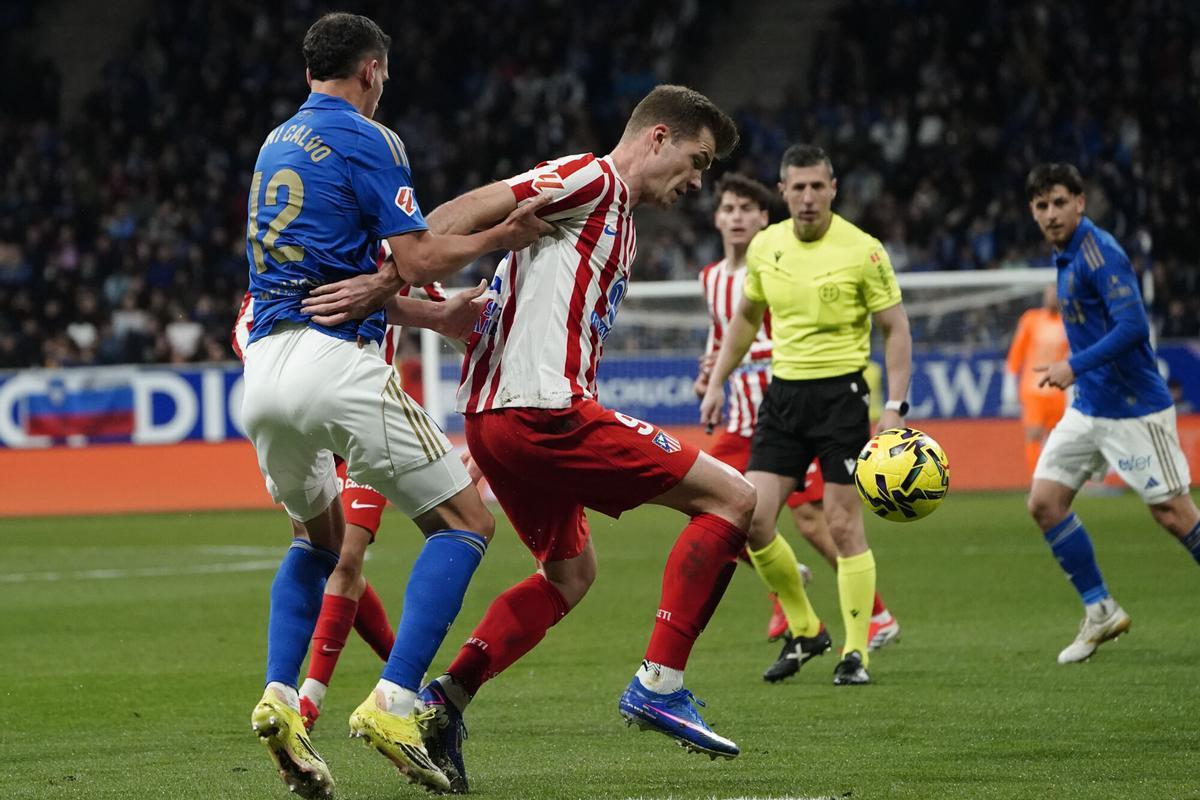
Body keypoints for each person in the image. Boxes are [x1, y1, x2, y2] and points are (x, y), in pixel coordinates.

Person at [304, 84, 750, 791]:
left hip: (496, 426)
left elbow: (483, 315)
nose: (696, 182)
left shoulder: (616, 225)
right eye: (696, 161)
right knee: (736, 500)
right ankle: (660, 683)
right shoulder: (590, 177)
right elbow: (466, 209)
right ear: (658, 138)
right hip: (547, 413)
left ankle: (442, 702)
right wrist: (393, 274)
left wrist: (399, 304)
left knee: (571, 575)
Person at [240, 13, 549, 797]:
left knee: (317, 543)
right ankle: (395, 699)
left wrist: (431, 314)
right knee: (468, 522)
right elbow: (416, 256)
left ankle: (282, 696)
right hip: (335, 367)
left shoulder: (275, 142)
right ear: (372, 70)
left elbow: (342, 284)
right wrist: (503, 233)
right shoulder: (369, 139)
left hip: (265, 373)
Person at [700, 143, 913, 687]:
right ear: (784, 190)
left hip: (841, 398)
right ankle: (805, 628)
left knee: (841, 524)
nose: (808, 197)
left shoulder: (863, 250)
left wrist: (894, 406)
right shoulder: (767, 247)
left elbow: (896, 329)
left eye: (818, 186)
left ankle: (857, 651)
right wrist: (718, 381)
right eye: (798, 187)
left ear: (833, 189)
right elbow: (745, 320)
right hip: (783, 396)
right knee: (752, 519)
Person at [234, 252, 462, 734]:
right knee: (340, 561)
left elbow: (439, 294)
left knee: (344, 558)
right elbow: (247, 331)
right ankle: (402, 689)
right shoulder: (298, 269)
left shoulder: (388, 254)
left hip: (358, 415)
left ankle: (309, 698)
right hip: (317, 408)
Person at [1023, 162, 1200, 664]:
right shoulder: (1064, 255)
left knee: (1172, 513)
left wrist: (1073, 366)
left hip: (1135, 409)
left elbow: (1132, 328)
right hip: (1089, 409)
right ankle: (1100, 609)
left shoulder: (1101, 254)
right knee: (1044, 503)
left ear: (1081, 202)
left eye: (1060, 202)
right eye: (1042, 205)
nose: (1052, 213)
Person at [1005, 284, 1069, 477]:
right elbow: (1017, 351)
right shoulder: (1031, 319)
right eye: (1049, 293)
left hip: (1058, 389)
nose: (1052, 298)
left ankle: (1056, 481)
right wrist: (1010, 380)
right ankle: (1036, 480)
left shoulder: (1067, 323)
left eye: (1056, 294)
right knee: (1033, 433)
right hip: (1033, 389)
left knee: (1057, 438)